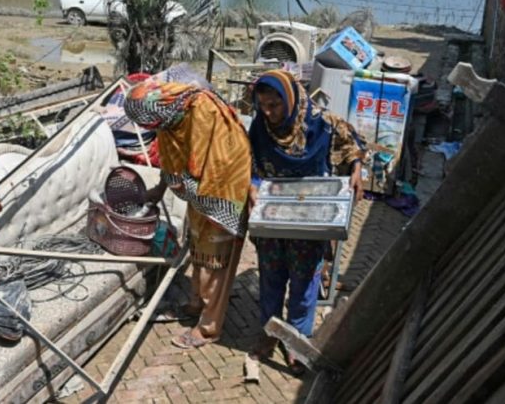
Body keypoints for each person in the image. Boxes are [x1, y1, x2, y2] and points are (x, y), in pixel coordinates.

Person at [248, 69, 365, 373]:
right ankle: (270, 334)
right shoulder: (260, 128)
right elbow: (250, 162)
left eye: (274, 105)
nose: (268, 112)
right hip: (272, 211)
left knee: (304, 280)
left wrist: (356, 168)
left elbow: (351, 140)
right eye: (263, 105)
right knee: (271, 277)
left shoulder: (318, 123)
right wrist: (251, 184)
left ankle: (297, 339)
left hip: (310, 210)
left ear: (289, 99)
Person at [124, 79, 251, 349]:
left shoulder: (204, 110)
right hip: (198, 194)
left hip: (222, 194)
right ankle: (197, 305)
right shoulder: (170, 116)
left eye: (153, 124)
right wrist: (161, 187)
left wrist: (187, 182)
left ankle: (208, 328)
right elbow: (172, 156)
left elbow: (214, 161)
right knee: (199, 251)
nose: (154, 129)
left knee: (216, 262)